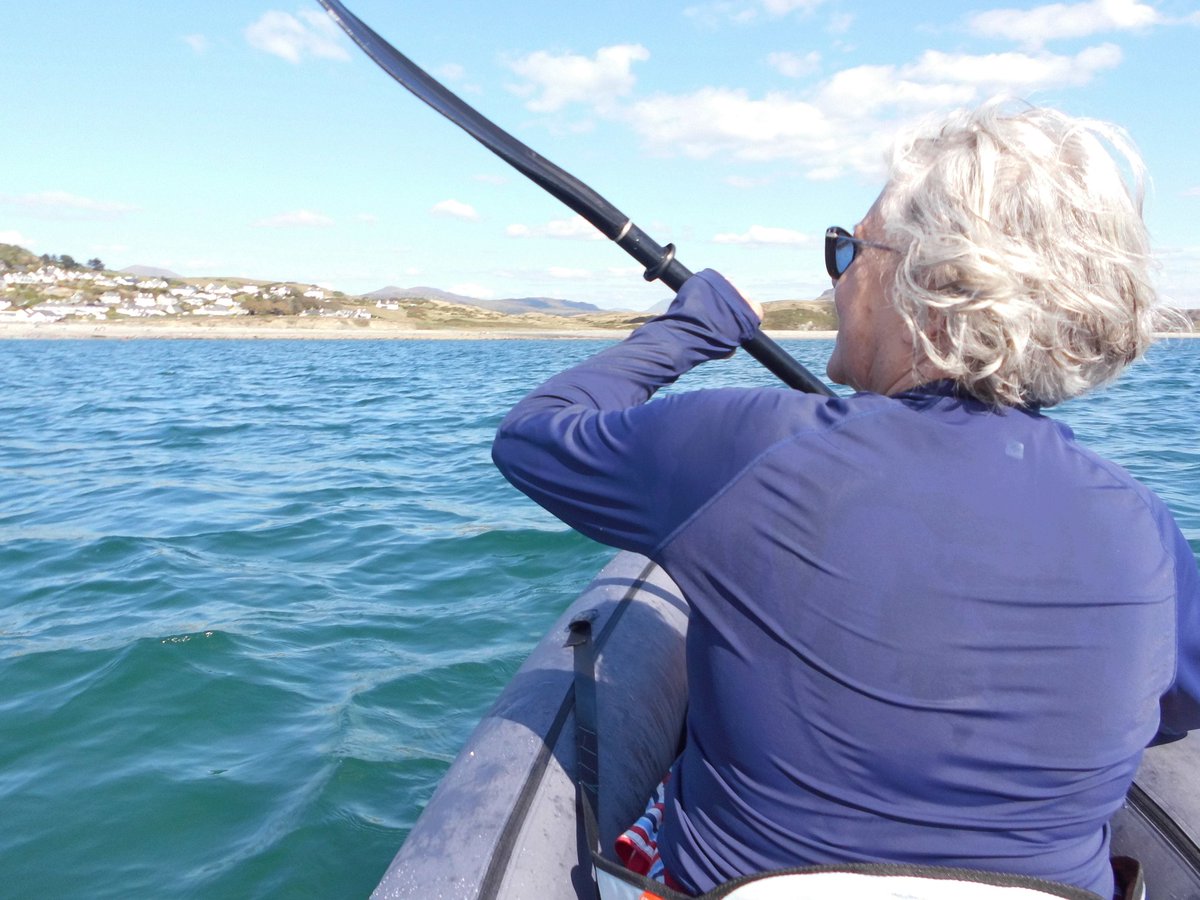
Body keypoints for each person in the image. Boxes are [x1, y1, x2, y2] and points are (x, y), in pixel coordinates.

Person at [491, 101, 1200, 899]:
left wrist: (691, 328)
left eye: (846, 249)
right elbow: (1176, 705)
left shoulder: (752, 448)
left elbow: (535, 436)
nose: (834, 279)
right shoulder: (1142, 524)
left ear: (927, 280)